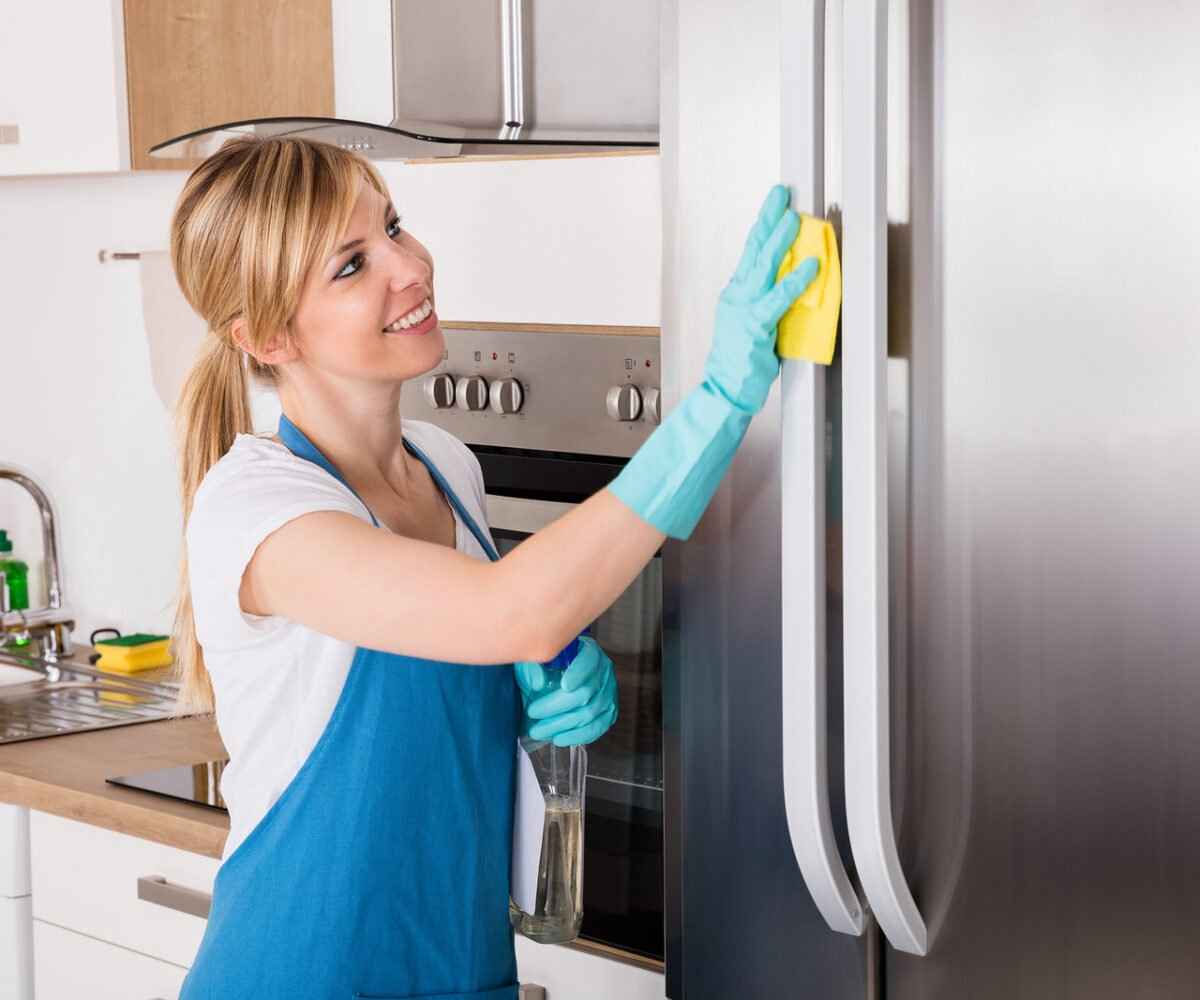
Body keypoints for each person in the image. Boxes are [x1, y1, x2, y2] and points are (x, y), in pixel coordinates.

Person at [170, 136, 817, 999]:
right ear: (269, 335)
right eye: (353, 264)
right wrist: (721, 402)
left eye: (394, 228)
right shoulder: (256, 506)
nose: (410, 266)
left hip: (465, 973)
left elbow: (467, 668)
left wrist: (530, 705)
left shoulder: (447, 466)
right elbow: (509, 610)